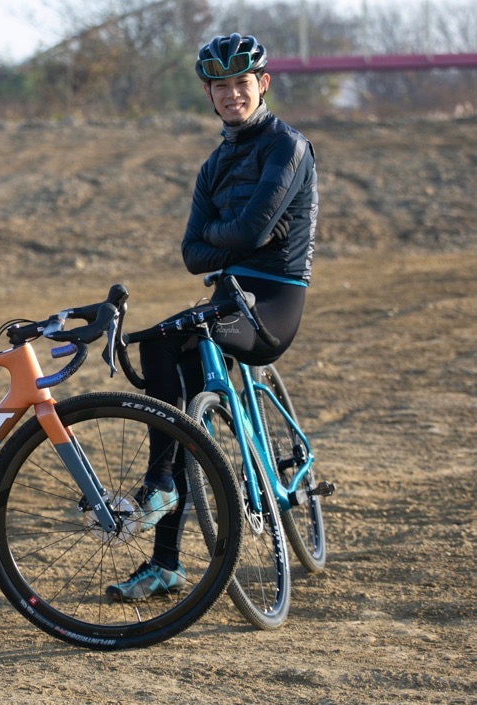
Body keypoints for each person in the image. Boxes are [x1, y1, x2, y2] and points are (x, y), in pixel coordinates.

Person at [106, 33, 317, 602]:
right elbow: (191, 254)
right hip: (227, 297)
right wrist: (240, 241)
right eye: (219, 86)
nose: (231, 95)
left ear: (262, 84)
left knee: (182, 341)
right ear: (208, 92)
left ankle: (163, 485)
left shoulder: (287, 148)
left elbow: (235, 235)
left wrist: (233, 240)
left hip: (273, 301)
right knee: (158, 352)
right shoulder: (213, 165)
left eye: (241, 84)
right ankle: (165, 542)